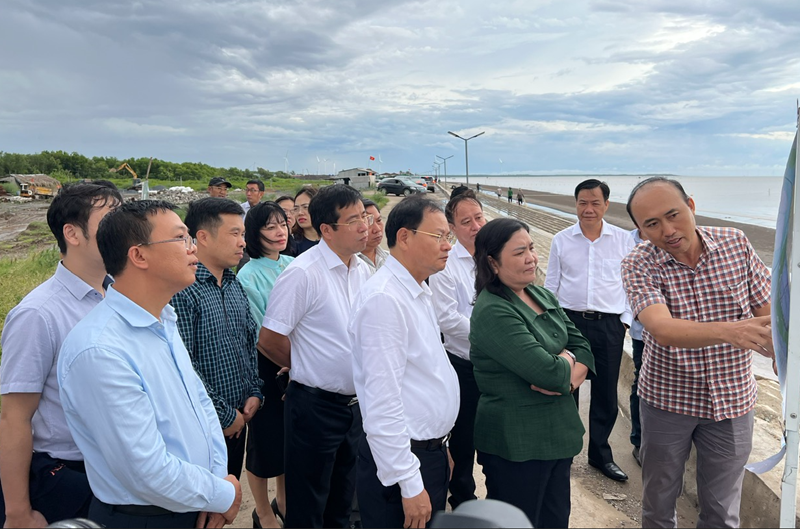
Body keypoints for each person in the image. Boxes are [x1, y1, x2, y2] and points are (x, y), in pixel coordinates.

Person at [57, 200, 242, 528]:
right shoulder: (100, 349)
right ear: (138, 255)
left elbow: (201, 409)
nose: (192, 248)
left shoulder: (164, 318)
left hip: (194, 504)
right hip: (145, 518)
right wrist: (222, 494)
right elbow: (145, 469)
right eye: (181, 239)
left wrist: (216, 487)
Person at [621, 177, 772, 528]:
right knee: (659, 503)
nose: (668, 230)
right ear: (640, 230)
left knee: (722, 510)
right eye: (652, 224)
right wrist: (732, 331)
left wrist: (779, 350)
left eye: (673, 214)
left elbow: (766, 312)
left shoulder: (736, 243)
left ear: (691, 205)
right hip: (667, 400)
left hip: (733, 401)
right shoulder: (638, 264)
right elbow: (662, 329)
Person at [0, 183, 121, 528]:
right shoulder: (38, 314)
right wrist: (18, 512)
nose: (123, 228)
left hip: (117, 469)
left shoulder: (120, 296)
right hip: (65, 476)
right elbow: (13, 418)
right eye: (110, 219)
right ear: (72, 233)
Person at [259, 184, 371, 528]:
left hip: (355, 407)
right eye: (353, 220)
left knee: (342, 503)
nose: (364, 226)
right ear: (326, 230)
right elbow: (269, 338)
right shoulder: (303, 273)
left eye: (365, 217)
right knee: (308, 506)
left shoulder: (363, 270)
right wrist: (303, 362)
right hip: (314, 407)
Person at [470, 218, 594, 528]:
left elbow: (585, 349)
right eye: (519, 252)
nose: (531, 258)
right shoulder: (493, 310)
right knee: (517, 522)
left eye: (532, 248)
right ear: (492, 262)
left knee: (554, 519)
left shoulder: (542, 296)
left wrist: (566, 374)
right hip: (517, 444)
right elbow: (549, 373)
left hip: (557, 436)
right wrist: (565, 368)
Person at [350, 195, 460, 529]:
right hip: (403, 464)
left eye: (448, 238)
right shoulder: (385, 299)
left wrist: (442, 446)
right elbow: (382, 404)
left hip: (426, 453)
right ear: (405, 237)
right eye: (439, 236)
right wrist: (410, 482)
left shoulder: (416, 290)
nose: (448, 246)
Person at [544, 179, 634, 482]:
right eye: (583, 202)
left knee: (606, 393)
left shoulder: (623, 241)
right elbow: (551, 285)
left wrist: (624, 320)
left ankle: (600, 455)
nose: (589, 209)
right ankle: (564, 450)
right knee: (567, 388)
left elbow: (632, 286)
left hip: (609, 325)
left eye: (595, 202)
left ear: (606, 205)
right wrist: (551, 323)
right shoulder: (562, 239)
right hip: (569, 322)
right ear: (576, 204)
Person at [170, 198, 263, 480]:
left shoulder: (234, 285)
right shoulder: (184, 291)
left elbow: (248, 344)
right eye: (234, 234)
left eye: (243, 234)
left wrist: (255, 392)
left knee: (225, 501)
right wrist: (224, 415)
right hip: (202, 425)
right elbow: (183, 363)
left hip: (238, 420)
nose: (242, 243)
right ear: (203, 237)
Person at [238, 202, 295, 529]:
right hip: (268, 366)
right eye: (270, 227)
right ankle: (262, 510)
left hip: (297, 363)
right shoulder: (248, 275)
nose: (280, 232)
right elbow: (262, 335)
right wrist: (294, 363)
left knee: (287, 438)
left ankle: (284, 500)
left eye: (282, 224)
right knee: (263, 442)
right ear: (254, 233)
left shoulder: (291, 263)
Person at [429, 189, 486, 509]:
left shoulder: (493, 254)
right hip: (463, 362)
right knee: (463, 438)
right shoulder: (446, 263)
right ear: (452, 226)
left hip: (496, 362)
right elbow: (446, 318)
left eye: (479, 217)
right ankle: (462, 496)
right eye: (466, 222)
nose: (475, 225)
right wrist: (491, 333)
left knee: (494, 433)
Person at [627, 228, 645, 467]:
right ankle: (639, 441)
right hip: (642, 332)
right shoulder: (627, 241)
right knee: (641, 381)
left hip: (683, 332)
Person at [357, 198, 389, 273]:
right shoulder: (351, 264)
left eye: (379, 221)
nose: (377, 229)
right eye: (368, 222)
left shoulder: (390, 259)